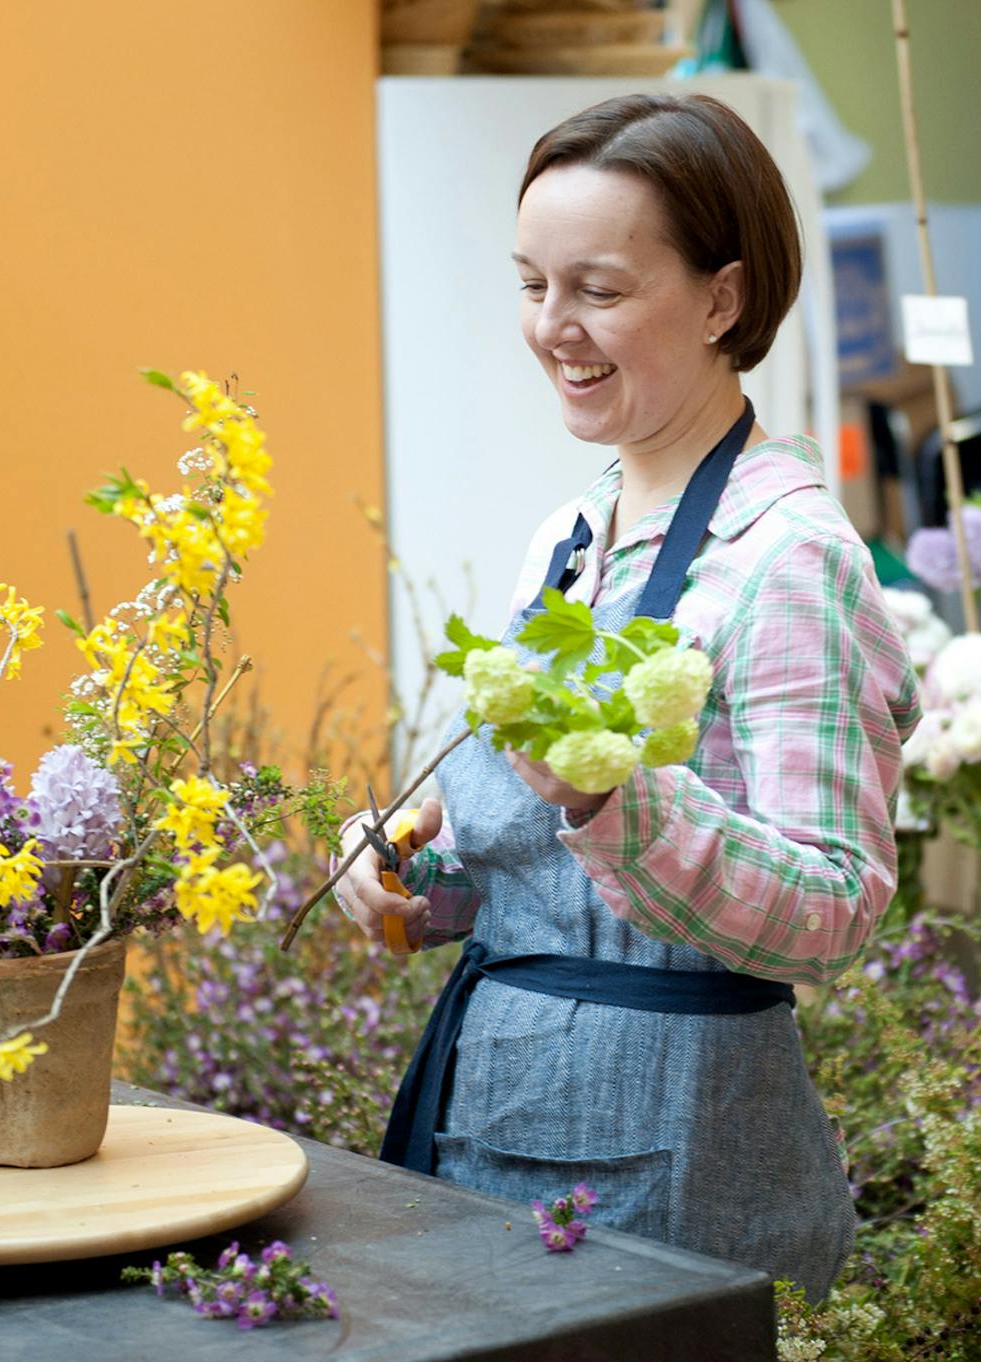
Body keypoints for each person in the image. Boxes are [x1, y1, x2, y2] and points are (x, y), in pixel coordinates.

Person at [329, 93, 919, 1300]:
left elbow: (839, 907)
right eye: (533, 285)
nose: (554, 327)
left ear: (722, 298)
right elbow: (537, 875)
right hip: (490, 1118)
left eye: (597, 288)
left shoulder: (787, 562)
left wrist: (617, 801)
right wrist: (409, 876)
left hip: (675, 1162)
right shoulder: (574, 533)